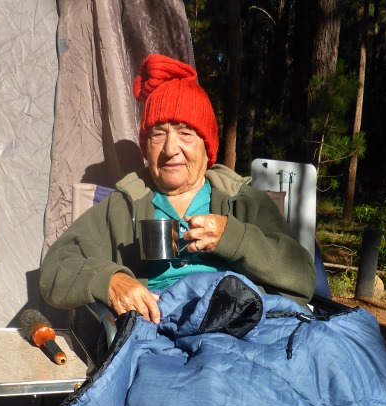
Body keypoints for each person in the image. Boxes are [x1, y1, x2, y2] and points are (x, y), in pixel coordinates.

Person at [40, 54, 316, 324]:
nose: (171, 149)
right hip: (160, 333)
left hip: (239, 328)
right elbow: (57, 266)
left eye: (185, 133)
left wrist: (233, 237)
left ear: (207, 147)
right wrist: (111, 280)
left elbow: (302, 277)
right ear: (146, 146)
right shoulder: (123, 206)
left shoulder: (242, 201)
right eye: (158, 134)